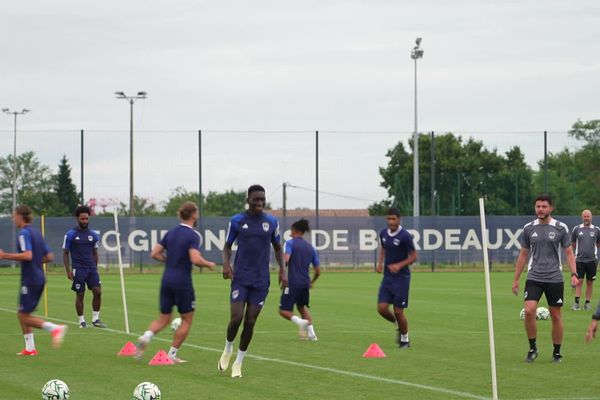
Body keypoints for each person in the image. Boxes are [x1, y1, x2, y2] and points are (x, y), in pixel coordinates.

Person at [218, 184, 286, 378]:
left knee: (250, 321)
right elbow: (227, 246)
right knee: (236, 318)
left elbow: (278, 248)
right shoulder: (237, 220)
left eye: (262, 199)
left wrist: (284, 271)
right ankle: (228, 348)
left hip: (261, 281)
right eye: (256, 199)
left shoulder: (271, 222)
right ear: (248, 200)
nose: (260, 203)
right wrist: (226, 264)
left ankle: (238, 363)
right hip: (240, 278)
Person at [135, 201, 215, 363]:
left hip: (166, 279)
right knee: (186, 319)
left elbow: (154, 253)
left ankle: (147, 336)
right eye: (197, 213)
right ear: (193, 215)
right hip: (182, 281)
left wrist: (170, 260)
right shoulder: (193, 235)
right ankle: (171, 355)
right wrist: (208, 264)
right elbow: (194, 258)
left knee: (163, 319)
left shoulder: (171, 232)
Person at [512, 194, 578, 363]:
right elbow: (523, 254)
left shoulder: (560, 228)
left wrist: (574, 273)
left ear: (551, 208)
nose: (540, 210)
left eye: (543, 207)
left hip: (554, 278)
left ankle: (557, 352)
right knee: (528, 311)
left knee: (556, 315)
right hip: (534, 276)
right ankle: (532, 348)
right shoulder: (528, 228)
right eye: (538, 207)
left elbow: (569, 252)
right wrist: (516, 279)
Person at [0, 205, 67, 355]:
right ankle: (30, 348)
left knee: (24, 316)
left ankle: (55, 328)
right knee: (22, 313)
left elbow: (27, 255)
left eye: (14, 216)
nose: (13, 219)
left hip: (30, 279)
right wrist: (36, 262)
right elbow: (49, 257)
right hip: (39, 278)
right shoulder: (37, 233)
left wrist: (5, 256)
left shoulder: (23, 234)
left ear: (20, 216)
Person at [375, 207, 417, 349]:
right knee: (381, 308)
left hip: (402, 278)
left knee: (399, 311)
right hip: (388, 277)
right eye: (388, 219)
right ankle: (398, 324)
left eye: (393, 219)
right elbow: (384, 248)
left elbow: (413, 256)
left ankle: (405, 340)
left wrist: (399, 265)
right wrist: (380, 263)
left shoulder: (405, 236)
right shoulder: (383, 233)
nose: (391, 222)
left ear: (399, 219)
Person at [62, 205, 105, 328]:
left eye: (86, 218)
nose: (85, 221)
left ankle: (96, 319)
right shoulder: (70, 234)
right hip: (78, 268)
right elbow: (65, 253)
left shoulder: (94, 235)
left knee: (97, 292)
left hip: (91, 269)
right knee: (80, 294)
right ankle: (81, 320)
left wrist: (95, 269)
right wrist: (68, 271)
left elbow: (95, 253)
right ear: (77, 218)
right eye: (82, 219)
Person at [278, 218, 321, 341]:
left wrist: (282, 275)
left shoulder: (290, 243)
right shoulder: (310, 248)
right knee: (301, 307)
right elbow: (318, 271)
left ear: (294, 231)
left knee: (283, 310)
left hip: (292, 282)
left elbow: (285, 260)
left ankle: (300, 322)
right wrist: (311, 283)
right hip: (304, 283)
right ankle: (312, 335)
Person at [570, 209, 600, 311]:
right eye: (585, 216)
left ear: (591, 217)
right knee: (579, 281)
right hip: (579, 260)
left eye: (588, 216)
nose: (586, 218)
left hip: (592, 261)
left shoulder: (596, 230)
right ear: (582, 217)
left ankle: (587, 303)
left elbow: (598, 244)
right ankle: (576, 303)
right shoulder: (576, 229)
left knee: (590, 282)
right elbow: (573, 244)